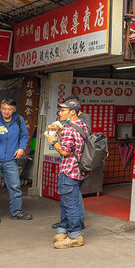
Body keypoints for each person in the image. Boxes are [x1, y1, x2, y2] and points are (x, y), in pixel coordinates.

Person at [0, 99, 32, 223]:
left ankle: (16, 212)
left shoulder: (19, 120)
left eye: (9, 109)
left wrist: (21, 148)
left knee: (15, 186)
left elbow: (24, 135)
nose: (6, 112)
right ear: (0, 108)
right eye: (4, 109)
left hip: (10, 159)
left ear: (14, 110)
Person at [46, 98, 88, 249]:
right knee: (67, 202)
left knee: (70, 205)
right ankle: (62, 230)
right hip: (79, 171)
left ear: (72, 112)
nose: (60, 113)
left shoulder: (69, 129)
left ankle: (75, 236)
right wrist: (59, 130)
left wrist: (53, 140)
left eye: (63, 110)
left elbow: (64, 151)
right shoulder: (81, 124)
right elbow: (72, 142)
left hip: (69, 171)